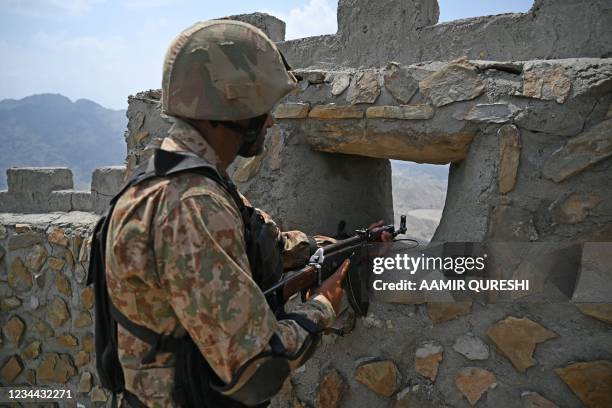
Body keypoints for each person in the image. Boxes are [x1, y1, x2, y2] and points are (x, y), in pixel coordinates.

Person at [104, 19, 389, 407]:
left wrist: (329, 248)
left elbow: (253, 243)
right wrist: (325, 302)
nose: (271, 120)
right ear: (230, 107)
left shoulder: (180, 175)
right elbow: (257, 371)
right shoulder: (192, 204)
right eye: (263, 107)